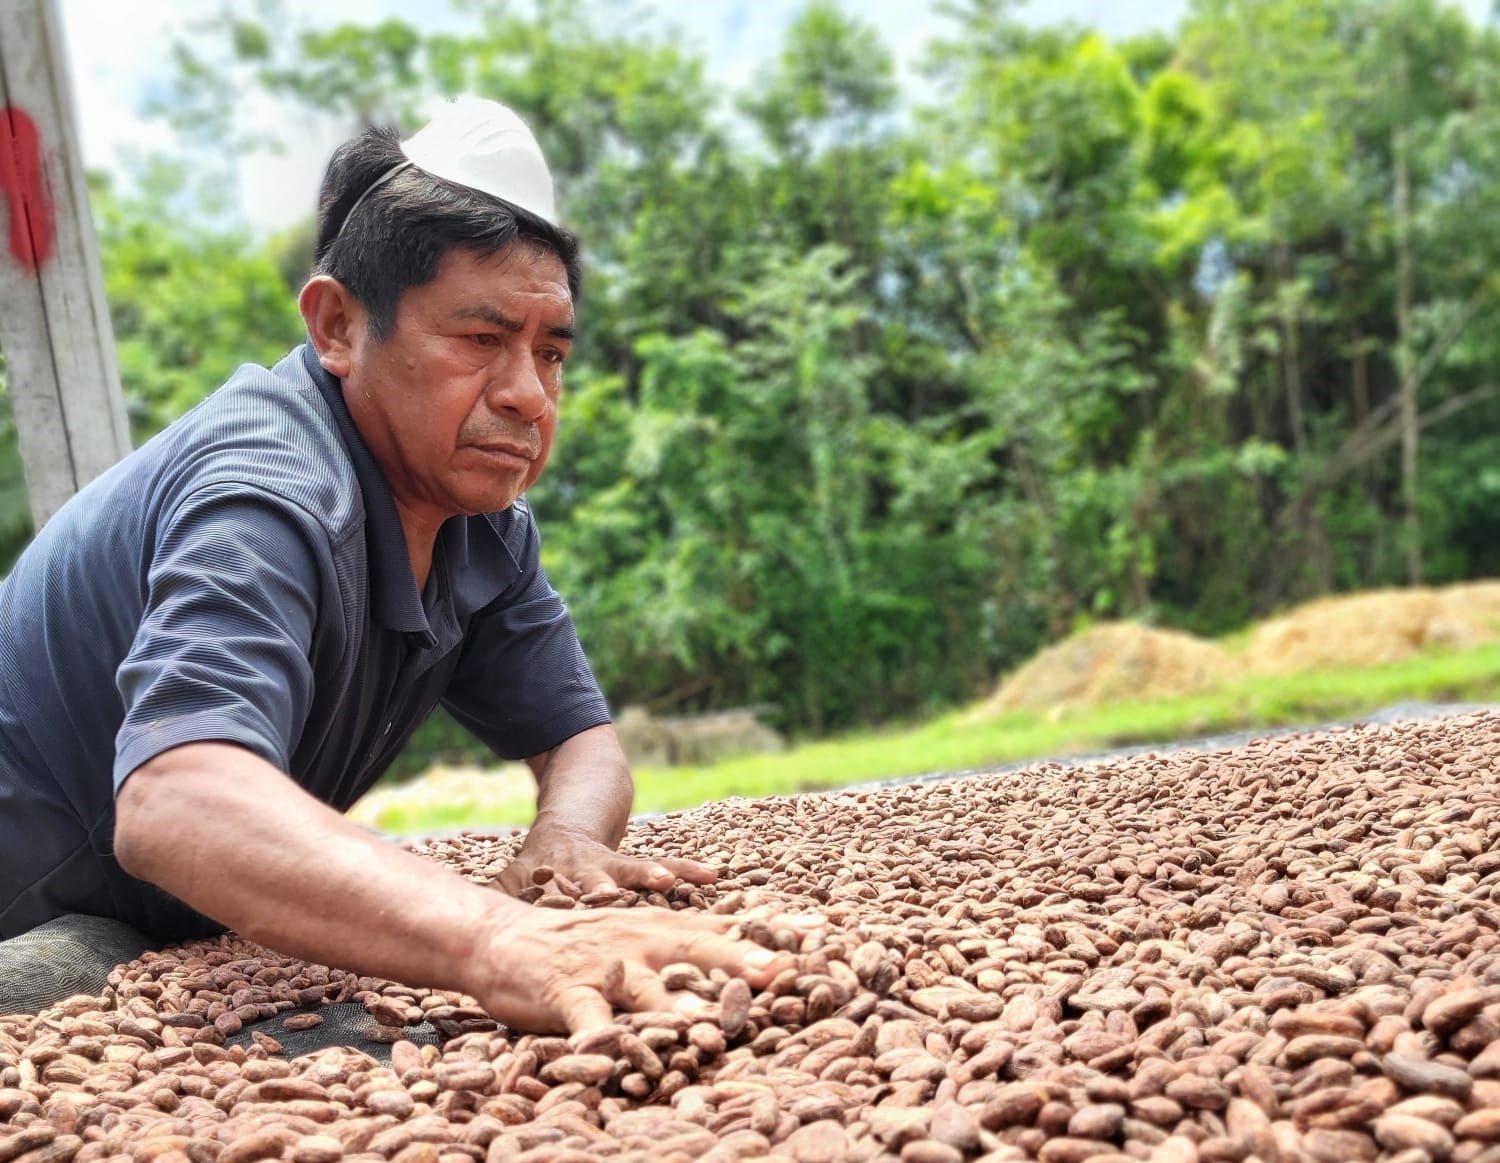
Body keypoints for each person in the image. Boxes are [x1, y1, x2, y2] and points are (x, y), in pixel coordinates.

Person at [0, 97, 807, 1029]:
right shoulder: (267, 488)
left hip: (168, 923)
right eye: (482, 341)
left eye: (551, 353)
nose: (528, 396)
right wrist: (497, 938)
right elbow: (177, 798)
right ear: (338, 325)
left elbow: (581, 739)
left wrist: (569, 837)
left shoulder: (477, 521)